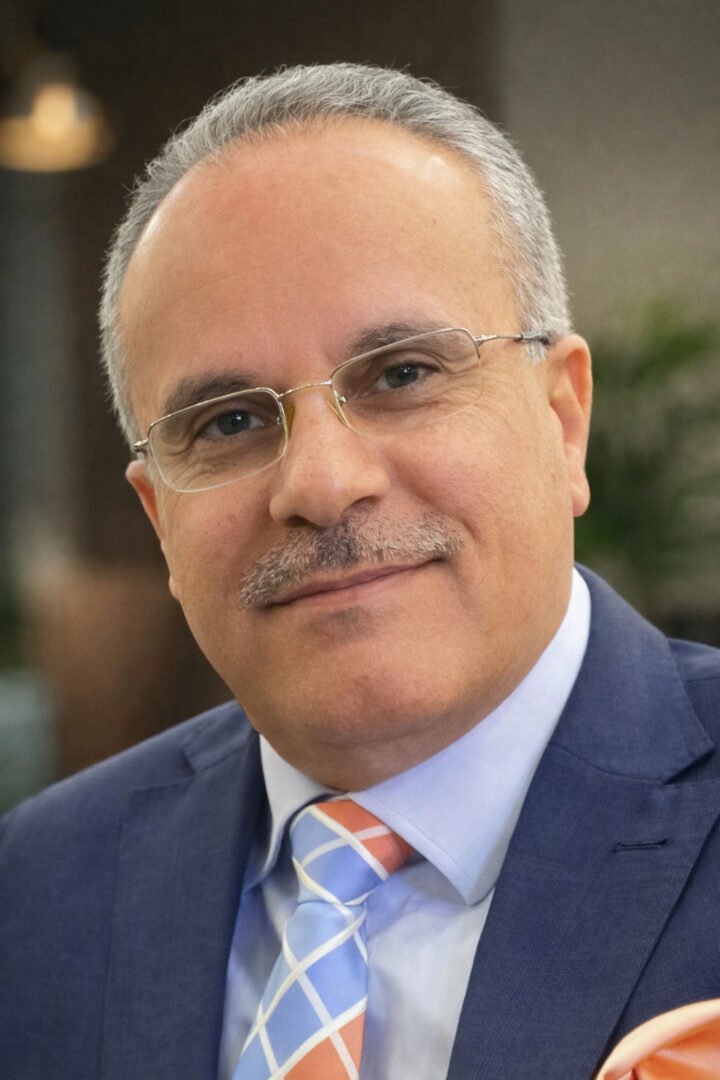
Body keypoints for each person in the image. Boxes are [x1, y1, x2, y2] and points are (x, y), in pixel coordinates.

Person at [1, 63, 720, 1080]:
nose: (322, 484)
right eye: (230, 422)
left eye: (403, 374)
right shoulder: (38, 894)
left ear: (563, 420)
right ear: (159, 520)